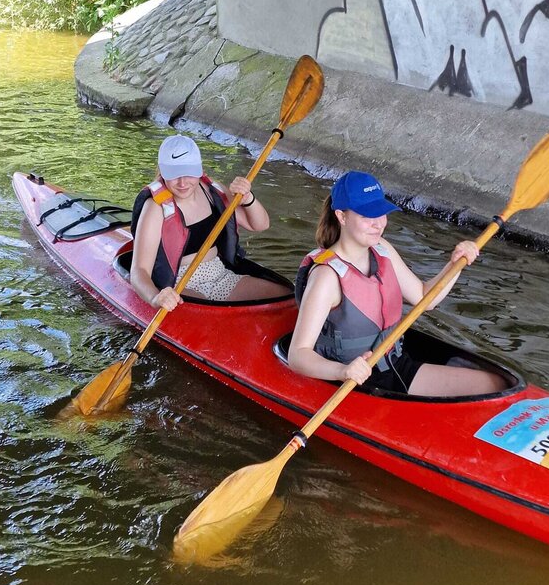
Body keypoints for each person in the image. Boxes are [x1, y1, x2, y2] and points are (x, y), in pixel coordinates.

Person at [288, 171, 507, 397]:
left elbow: (424, 298)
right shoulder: (326, 276)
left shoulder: (381, 249)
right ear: (342, 217)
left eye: (381, 213)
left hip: (394, 364)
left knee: (494, 384)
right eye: (367, 216)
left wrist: (455, 264)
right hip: (350, 383)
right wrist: (342, 371)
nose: (378, 224)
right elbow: (298, 355)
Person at [130, 134, 291, 308]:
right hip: (178, 285)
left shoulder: (212, 190)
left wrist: (248, 198)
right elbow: (139, 271)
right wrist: (155, 298)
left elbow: (260, 225)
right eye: (174, 174)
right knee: (214, 314)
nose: (182, 183)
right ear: (163, 172)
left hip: (220, 274)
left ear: (199, 169)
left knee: (285, 296)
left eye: (188, 173)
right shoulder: (155, 208)